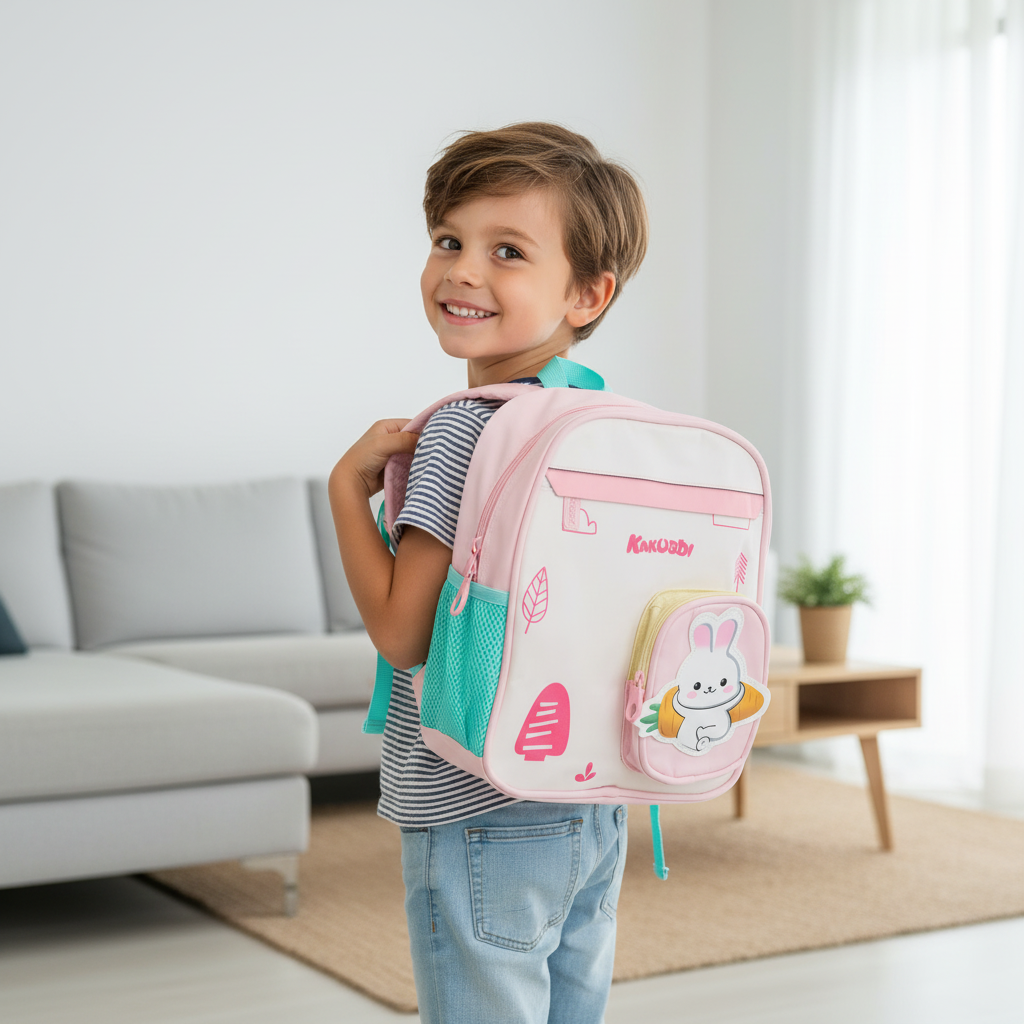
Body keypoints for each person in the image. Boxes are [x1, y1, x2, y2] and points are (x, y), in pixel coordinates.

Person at [329, 122, 648, 1024]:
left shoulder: (462, 431)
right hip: (591, 794)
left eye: (508, 250)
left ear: (588, 292)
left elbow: (402, 632)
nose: (463, 270)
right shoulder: (586, 421)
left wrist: (345, 493)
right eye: (448, 241)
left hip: (472, 798)